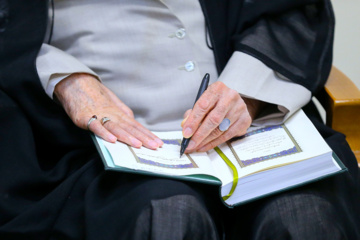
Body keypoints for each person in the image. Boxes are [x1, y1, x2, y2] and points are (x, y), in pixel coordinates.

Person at [0, 0, 359, 239]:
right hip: (92, 151)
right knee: (168, 216)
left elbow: (290, 12)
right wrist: (64, 79)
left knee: (302, 215)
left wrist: (246, 92)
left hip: (257, 127)